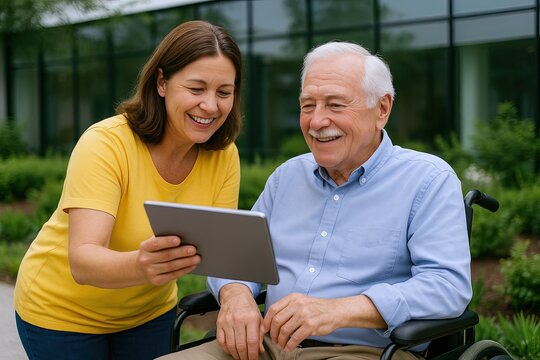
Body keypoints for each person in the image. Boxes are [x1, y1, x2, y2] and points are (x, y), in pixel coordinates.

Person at [161, 41, 472, 360]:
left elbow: (447, 287)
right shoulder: (287, 178)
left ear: (382, 109)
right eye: (308, 105)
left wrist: (341, 310)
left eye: (336, 105)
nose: (317, 121)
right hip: (264, 344)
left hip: (367, 352)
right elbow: (239, 258)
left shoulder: (428, 180)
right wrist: (236, 296)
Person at [13, 20, 243, 359]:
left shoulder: (224, 155)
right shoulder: (106, 144)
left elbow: (222, 253)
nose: (211, 106)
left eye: (224, 92)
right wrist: (141, 265)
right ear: (162, 82)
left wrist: (239, 297)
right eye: (196, 89)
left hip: (148, 314)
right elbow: (83, 259)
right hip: (62, 313)